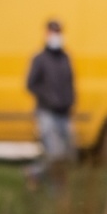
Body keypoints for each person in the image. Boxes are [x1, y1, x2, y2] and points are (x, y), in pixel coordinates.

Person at [24, 19, 75, 186]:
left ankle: (39, 176)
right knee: (55, 154)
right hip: (47, 112)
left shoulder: (65, 58)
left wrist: (70, 100)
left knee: (68, 155)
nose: (56, 36)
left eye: (58, 32)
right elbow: (31, 84)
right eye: (53, 32)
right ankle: (49, 184)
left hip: (64, 113)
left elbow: (70, 82)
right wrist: (48, 97)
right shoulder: (40, 58)